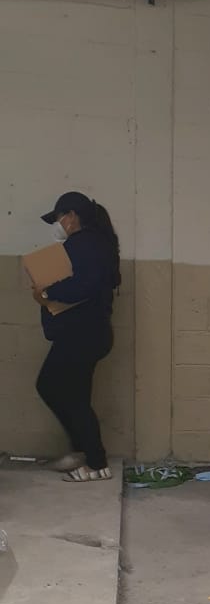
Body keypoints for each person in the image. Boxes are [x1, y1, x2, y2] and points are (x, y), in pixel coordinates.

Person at [32, 190, 120, 483]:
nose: (57, 225)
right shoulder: (99, 244)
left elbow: (84, 286)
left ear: (71, 217)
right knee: (75, 394)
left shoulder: (85, 244)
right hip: (91, 333)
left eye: (58, 218)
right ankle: (84, 453)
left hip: (81, 334)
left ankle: (95, 461)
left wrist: (46, 292)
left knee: (53, 387)